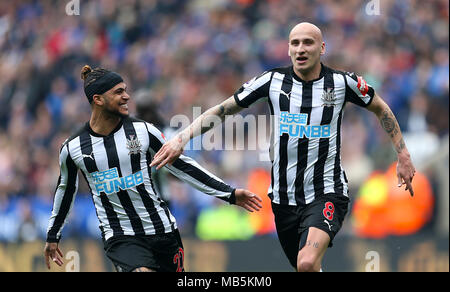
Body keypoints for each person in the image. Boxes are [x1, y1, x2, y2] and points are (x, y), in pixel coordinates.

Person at [150, 22, 416, 272]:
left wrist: (402, 154)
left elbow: (380, 107)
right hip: (283, 199)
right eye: (295, 43)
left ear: (322, 48)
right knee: (306, 267)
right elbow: (224, 110)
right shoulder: (272, 81)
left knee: (307, 263)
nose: (301, 49)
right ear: (288, 49)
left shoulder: (342, 83)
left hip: (327, 191)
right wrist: (181, 138)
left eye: (308, 43)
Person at [43, 65, 262, 272]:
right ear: (98, 100)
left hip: (162, 231)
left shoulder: (144, 131)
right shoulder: (73, 148)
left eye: (125, 91)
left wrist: (229, 194)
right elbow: (65, 189)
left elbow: (182, 166)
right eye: (118, 92)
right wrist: (53, 234)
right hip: (121, 235)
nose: (127, 97)